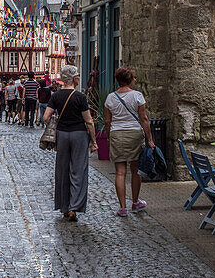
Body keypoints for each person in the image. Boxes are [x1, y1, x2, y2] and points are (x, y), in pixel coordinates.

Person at [43, 64, 97, 222]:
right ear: (74, 78)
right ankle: (75, 206)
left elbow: (46, 117)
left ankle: (64, 207)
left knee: (62, 169)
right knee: (78, 169)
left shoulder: (56, 96)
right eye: (78, 75)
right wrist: (93, 141)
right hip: (79, 134)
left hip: (62, 134)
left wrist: (55, 123)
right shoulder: (80, 97)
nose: (79, 78)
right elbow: (89, 121)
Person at [104, 65, 155, 216]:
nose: (135, 79)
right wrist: (150, 139)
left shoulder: (110, 98)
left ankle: (122, 207)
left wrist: (108, 137)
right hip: (134, 134)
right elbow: (144, 119)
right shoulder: (137, 96)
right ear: (129, 80)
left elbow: (107, 122)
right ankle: (135, 202)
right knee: (135, 170)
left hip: (117, 134)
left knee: (120, 172)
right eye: (134, 77)